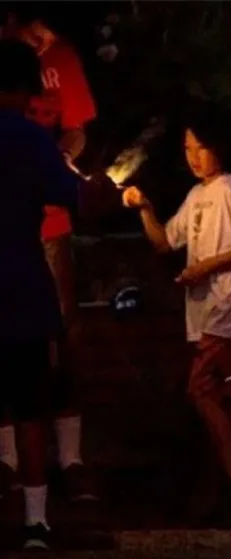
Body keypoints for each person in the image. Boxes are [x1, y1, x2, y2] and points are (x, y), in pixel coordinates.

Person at [121, 105, 231, 526]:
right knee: (229, 401)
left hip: (228, 310)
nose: (194, 156)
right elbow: (165, 242)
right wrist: (145, 208)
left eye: (201, 147)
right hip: (208, 313)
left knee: (203, 393)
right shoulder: (197, 196)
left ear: (219, 148)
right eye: (188, 148)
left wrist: (205, 268)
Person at [0, 6, 99, 504]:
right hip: (21, 223)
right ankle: (11, 465)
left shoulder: (62, 58)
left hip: (49, 221)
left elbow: (77, 128)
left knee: (57, 337)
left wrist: (54, 162)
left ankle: (69, 460)